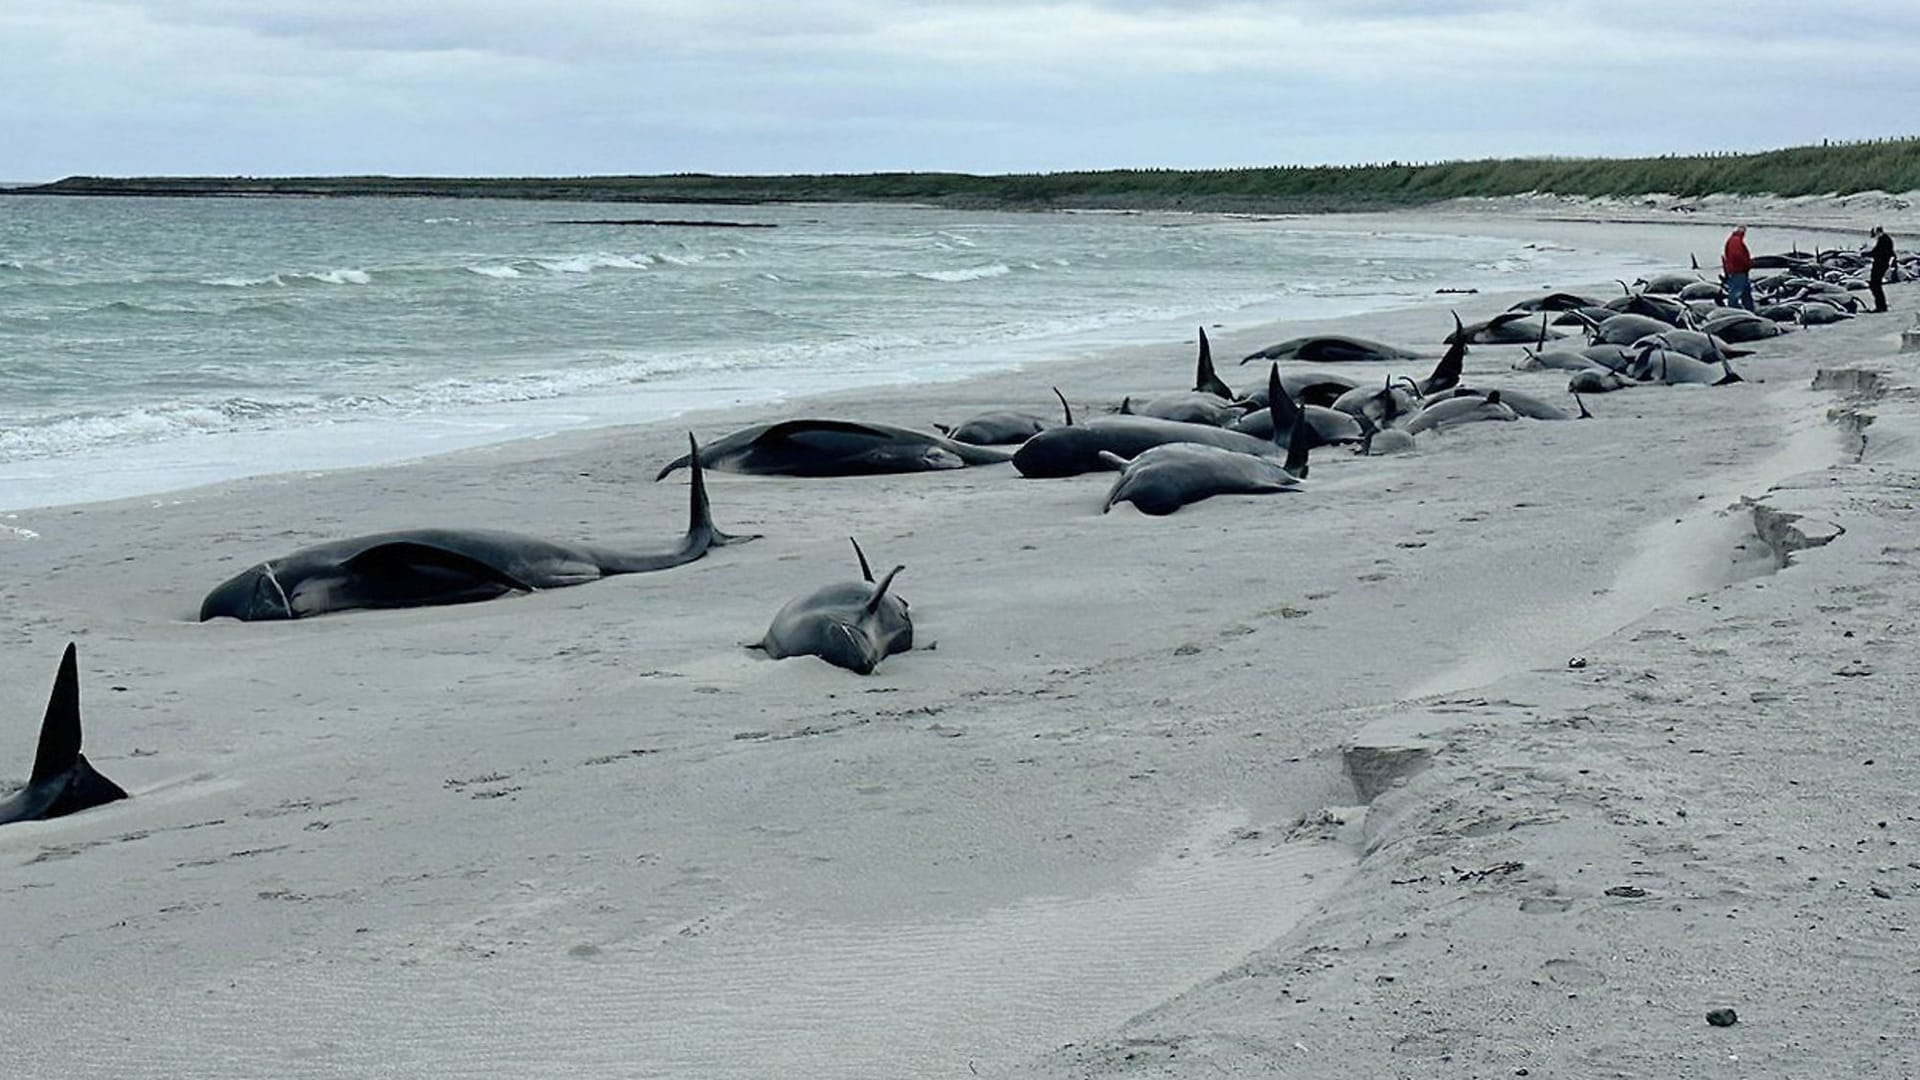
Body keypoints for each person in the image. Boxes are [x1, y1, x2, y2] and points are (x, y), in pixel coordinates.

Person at [1722, 225, 1755, 312]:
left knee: (1746, 293)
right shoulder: (1736, 241)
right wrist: (1747, 264)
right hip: (1738, 271)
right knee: (1736, 293)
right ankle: (1733, 311)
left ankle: (1749, 310)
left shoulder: (1734, 240)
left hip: (1738, 270)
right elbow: (1737, 256)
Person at [1867, 226, 1895, 313]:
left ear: (1878, 232)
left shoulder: (1884, 240)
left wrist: (1866, 254)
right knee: (1875, 285)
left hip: (1880, 265)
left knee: (1875, 285)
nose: (1874, 237)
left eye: (1875, 235)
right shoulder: (1885, 239)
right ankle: (1881, 305)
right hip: (1882, 264)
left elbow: (1878, 252)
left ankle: (1881, 306)